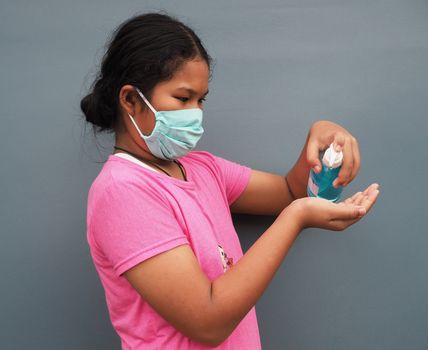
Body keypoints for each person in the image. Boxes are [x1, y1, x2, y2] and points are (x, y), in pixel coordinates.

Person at [81, 12, 380, 350]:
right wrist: (295, 219)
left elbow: (290, 191)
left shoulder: (203, 169)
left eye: (201, 100)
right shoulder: (122, 192)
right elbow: (208, 322)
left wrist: (321, 136)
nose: (195, 112)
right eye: (183, 98)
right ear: (131, 100)